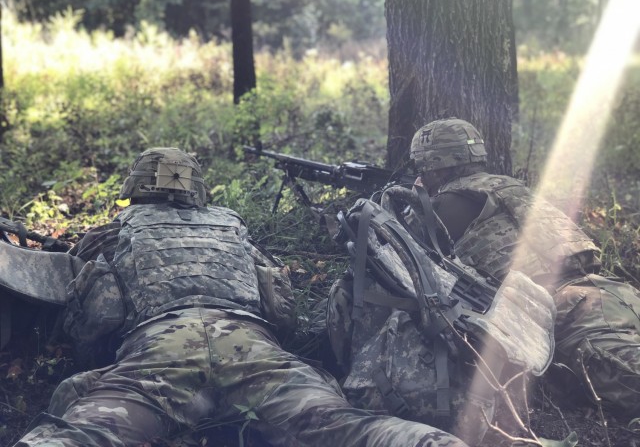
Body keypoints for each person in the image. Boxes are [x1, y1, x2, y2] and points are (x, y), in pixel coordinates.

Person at [15, 147, 468, 447]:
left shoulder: (116, 232)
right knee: (338, 425)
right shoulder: (232, 226)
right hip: (251, 346)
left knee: (87, 431)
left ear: (135, 190)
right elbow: (278, 307)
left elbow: (98, 312)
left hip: (160, 349)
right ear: (197, 189)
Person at [407, 118, 640, 417]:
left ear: (432, 167)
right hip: (614, 292)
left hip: (570, 313)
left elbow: (396, 244)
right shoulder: (509, 187)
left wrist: (415, 201)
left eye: (421, 169)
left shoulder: (447, 205)